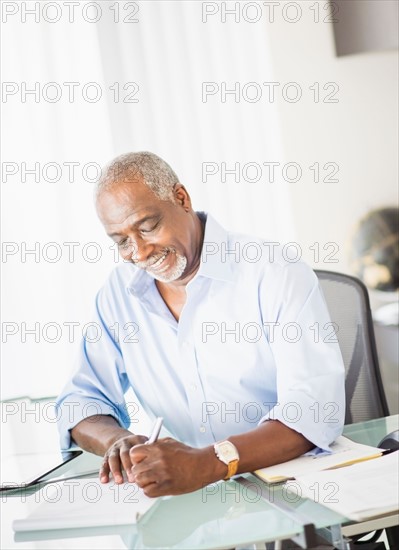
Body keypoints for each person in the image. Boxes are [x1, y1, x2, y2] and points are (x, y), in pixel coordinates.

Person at [56, 151, 345, 497]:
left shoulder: (274, 272)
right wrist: (116, 441)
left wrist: (206, 462)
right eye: (121, 241)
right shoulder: (118, 294)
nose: (140, 252)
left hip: (289, 487)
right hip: (185, 494)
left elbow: (314, 409)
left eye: (147, 227)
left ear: (181, 198)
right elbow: (79, 401)